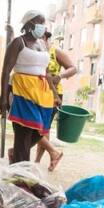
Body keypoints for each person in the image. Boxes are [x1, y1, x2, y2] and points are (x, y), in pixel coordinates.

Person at [0, 11, 54, 164]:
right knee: (24, 133)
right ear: (29, 24)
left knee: (38, 131)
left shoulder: (43, 44)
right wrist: (3, 97)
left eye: (44, 23)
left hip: (42, 94)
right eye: (39, 22)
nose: (43, 26)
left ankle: (17, 159)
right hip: (22, 92)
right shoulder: (18, 42)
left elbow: (47, 72)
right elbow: (6, 71)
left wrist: (54, 94)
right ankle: (21, 170)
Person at [35, 31, 78, 171]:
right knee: (38, 128)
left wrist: (60, 76)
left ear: (46, 38)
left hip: (53, 94)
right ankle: (46, 158)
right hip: (36, 92)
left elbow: (73, 68)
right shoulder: (35, 49)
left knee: (43, 128)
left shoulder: (55, 51)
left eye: (40, 37)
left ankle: (38, 162)